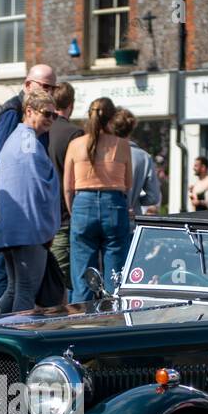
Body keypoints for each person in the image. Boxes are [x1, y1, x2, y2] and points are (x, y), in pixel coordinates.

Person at [0, 91, 60, 314]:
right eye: (46, 113)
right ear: (29, 111)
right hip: (28, 230)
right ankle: (14, 341)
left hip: (8, 230)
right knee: (25, 291)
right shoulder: (29, 145)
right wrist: (47, 230)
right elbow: (35, 191)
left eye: (54, 115)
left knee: (13, 289)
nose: (50, 119)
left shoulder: (15, 139)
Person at [64, 96, 131, 303]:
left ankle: (79, 325)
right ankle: (114, 322)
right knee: (115, 275)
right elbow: (128, 184)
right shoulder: (121, 145)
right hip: (114, 203)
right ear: (112, 118)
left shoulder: (75, 145)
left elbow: (67, 187)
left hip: (83, 204)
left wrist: (74, 211)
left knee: (81, 276)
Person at [0, 63, 57, 179]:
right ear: (28, 85)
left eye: (53, 88)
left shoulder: (39, 116)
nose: (50, 92)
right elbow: (1, 160)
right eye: (45, 86)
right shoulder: (13, 111)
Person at [45, 83, 82, 285]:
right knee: (64, 282)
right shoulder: (75, 135)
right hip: (66, 216)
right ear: (72, 104)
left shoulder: (41, 130)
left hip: (41, 218)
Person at [111, 107, 160, 221]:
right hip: (132, 220)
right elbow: (153, 197)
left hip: (106, 219)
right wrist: (135, 200)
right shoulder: (144, 157)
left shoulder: (103, 153)